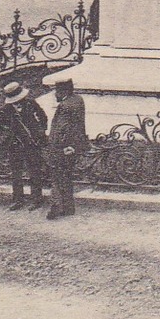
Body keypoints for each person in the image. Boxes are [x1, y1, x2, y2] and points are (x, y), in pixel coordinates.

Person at [0, 81, 48, 210]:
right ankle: (18, 199)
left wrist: (40, 131)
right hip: (15, 145)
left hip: (31, 143)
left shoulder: (31, 103)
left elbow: (43, 117)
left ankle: (37, 199)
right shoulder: (5, 110)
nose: (20, 101)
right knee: (16, 173)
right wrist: (6, 137)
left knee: (34, 172)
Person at [45, 79, 87, 220]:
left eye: (56, 91)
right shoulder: (78, 100)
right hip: (74, 145)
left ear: (63, 91)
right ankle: (68, 207)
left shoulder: (65, 106)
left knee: (57, 177)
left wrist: (58, 145)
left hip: (62, 148)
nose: (55, 94)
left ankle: (56, 206)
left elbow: (62, 129)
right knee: (66, 177)